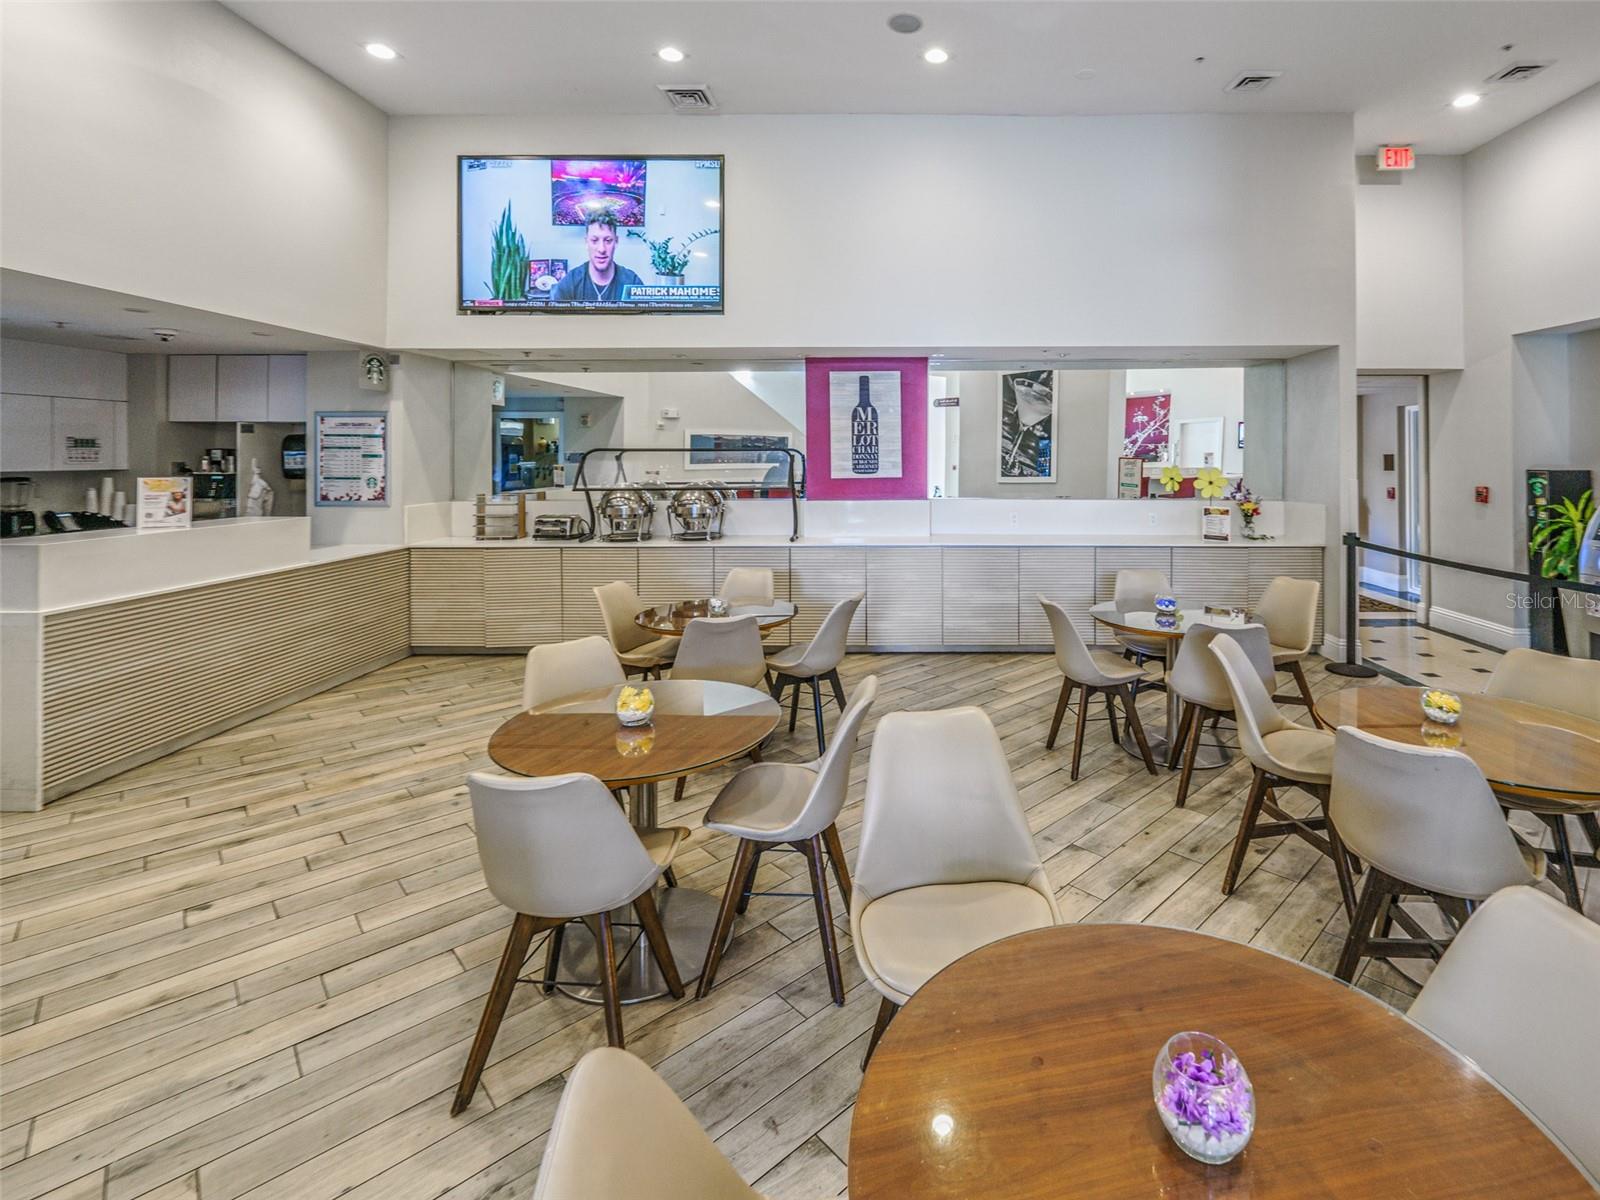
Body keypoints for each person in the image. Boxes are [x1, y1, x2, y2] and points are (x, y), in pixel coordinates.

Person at [550, 213, 642, 305]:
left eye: (608, 240)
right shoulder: (570, 282)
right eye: (594, 240)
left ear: (616, 242)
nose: (601, 249)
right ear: (586, 242)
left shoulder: (632, 282)